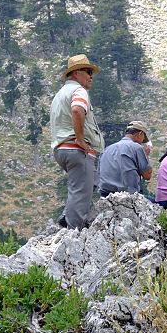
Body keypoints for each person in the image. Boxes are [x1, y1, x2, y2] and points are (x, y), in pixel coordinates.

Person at [50, 54, 105, 230]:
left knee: (79, 187)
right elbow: (77, 110)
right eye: (88, 72)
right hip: (75, 148)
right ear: (75, 73)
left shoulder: (59, 94)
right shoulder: (79, 91)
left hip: (61, 148)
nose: (91, 76)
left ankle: (66, 218)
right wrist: (81, 140)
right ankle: (73, 233)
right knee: (82, 192)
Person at [98, 121, 152, 198]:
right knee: (163, 205)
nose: (141, 142)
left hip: (106, 196)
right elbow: (147, 175)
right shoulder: (136, 147)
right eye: (143, 139)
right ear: (140, 134)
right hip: (128, 196)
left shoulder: (106, 149)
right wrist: (145, 156)